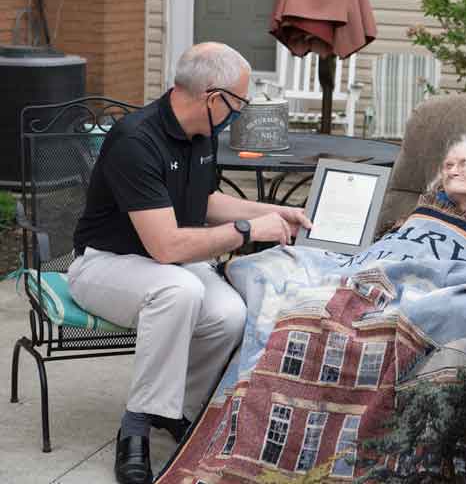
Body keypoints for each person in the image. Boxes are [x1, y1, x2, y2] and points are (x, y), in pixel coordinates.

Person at [68, 42, 313, 484]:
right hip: (106, 265)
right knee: (181, 290)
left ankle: (178, 410)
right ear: (213, 97)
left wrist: (273, 214)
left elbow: (203, 201)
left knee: (229, 313)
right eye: (239, 102)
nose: (241, 111)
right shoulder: (135, 141)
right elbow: (167, 247)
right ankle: (136, 426)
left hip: (165, 266)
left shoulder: (203, 132)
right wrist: (245, 233)